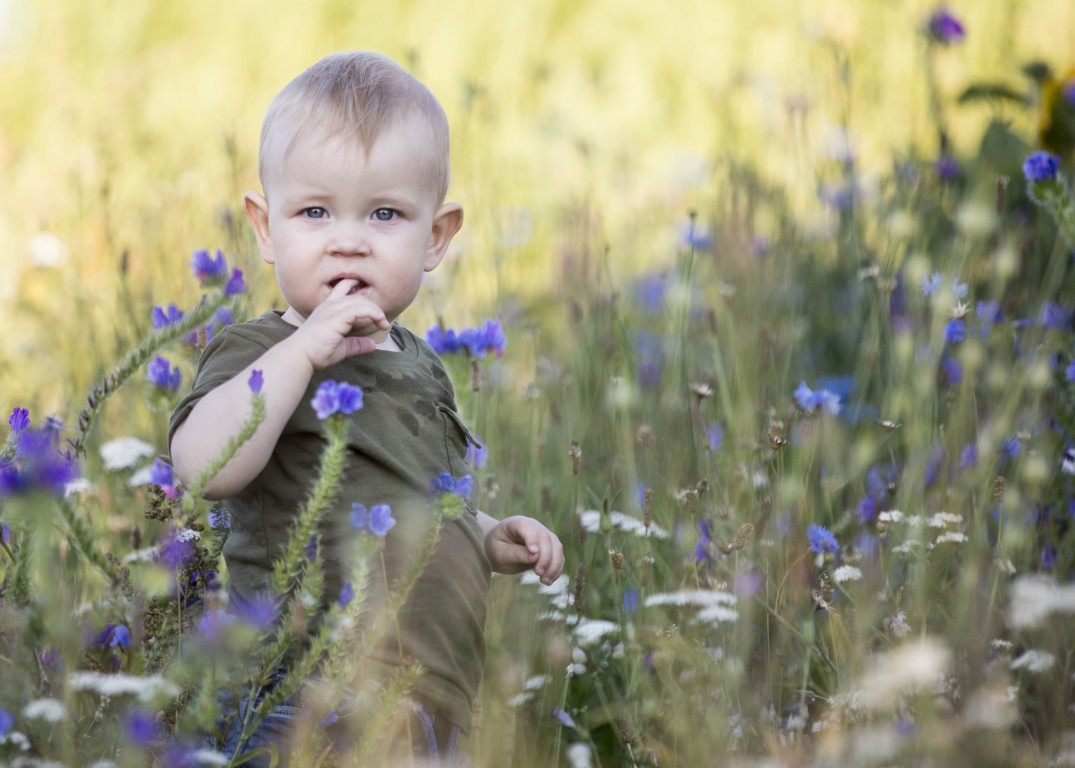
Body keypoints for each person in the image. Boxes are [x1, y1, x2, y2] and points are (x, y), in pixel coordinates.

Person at [169, 51, 564, 766]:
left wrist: (487, 534)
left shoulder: (420, 365)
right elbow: (202, 465)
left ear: (435, 238)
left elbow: (414, 495)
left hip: (432, 701)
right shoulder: (258, 351)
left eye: (384, 214)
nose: (347, 238)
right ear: (265, 228)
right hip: (306, 693)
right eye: (314, 211)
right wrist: (302, 355)